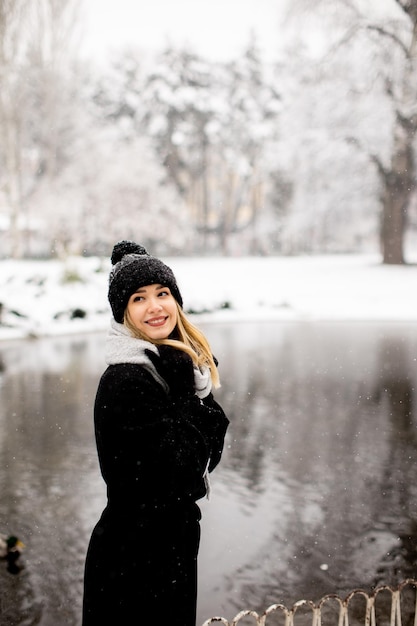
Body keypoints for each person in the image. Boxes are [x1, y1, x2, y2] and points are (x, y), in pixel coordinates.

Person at [82, 240, 229, 626]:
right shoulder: (128, 379)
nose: (155, 307)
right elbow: (180, 469)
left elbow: (212, 445)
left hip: (168, 549)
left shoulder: (171, 365)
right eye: (138, 298)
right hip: (134, 558)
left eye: (162, 293)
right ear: (123, 312)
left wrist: (191, 394)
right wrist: (186, 394)